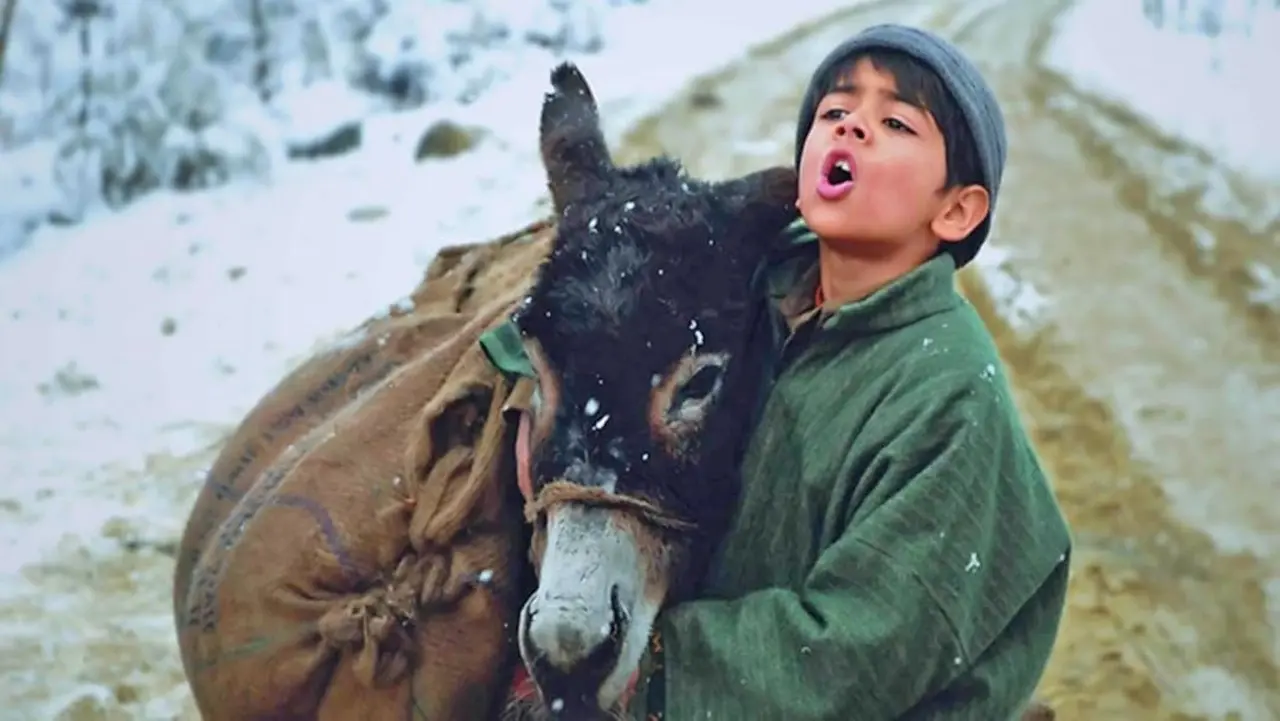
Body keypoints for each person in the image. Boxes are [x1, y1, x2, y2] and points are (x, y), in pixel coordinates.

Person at [482, 23, 1072, 720]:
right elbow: (593, 327)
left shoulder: (950, 395)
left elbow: (854, 654)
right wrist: (539, 401)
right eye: (835, 112)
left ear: (957, 209)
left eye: (893, 122)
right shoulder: (760, 278)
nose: (852, 128)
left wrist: (652, 670)